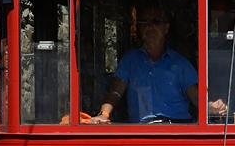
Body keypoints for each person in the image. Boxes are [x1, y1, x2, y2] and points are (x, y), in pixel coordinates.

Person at [90, 8, 227, 123]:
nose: (151, 27)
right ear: (140, 29)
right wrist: (104, 115)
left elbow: (197, 98)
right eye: (146, 22)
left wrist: (212, 107)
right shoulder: (130, 60)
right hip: (141, 133)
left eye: (156, 21)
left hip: (176, 131)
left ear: (166, 28)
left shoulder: (179, 63)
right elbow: (115, 92)